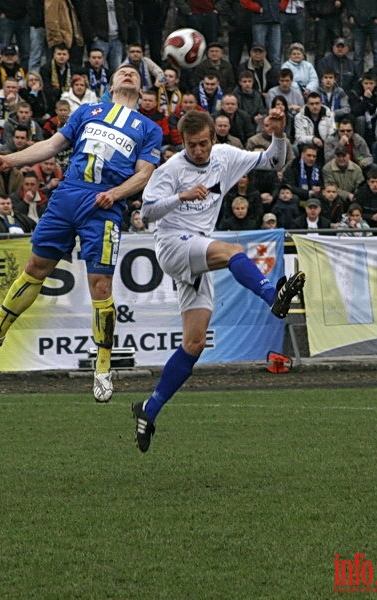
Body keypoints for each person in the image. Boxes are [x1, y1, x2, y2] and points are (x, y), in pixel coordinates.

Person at [0, 64, 163, 403]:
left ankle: (102, 367)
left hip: (104, 204)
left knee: (101, 286)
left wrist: (117, 194)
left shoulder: (148, 128)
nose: (127, 74)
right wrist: (9, 160)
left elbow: (144, 174)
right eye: (122, 71)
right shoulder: (88, 111)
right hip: (69, 194)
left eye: (134, 74)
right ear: (110, 84)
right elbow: (51, 145)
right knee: (36, 266)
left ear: (142, 90)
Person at [130, 107, 304, 452]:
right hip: (172, 245)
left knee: (194, 344)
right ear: (183, 142)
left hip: (195, 251)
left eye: (205, 143)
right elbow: (146, 212)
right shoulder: (170, 171)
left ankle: (148, 409)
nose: (200, 150)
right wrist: (181, 195)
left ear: (214, 137)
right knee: (231, 250)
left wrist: (279, 134)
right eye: (193, 145)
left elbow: (272, 162)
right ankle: (273, 297)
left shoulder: (224, 156)